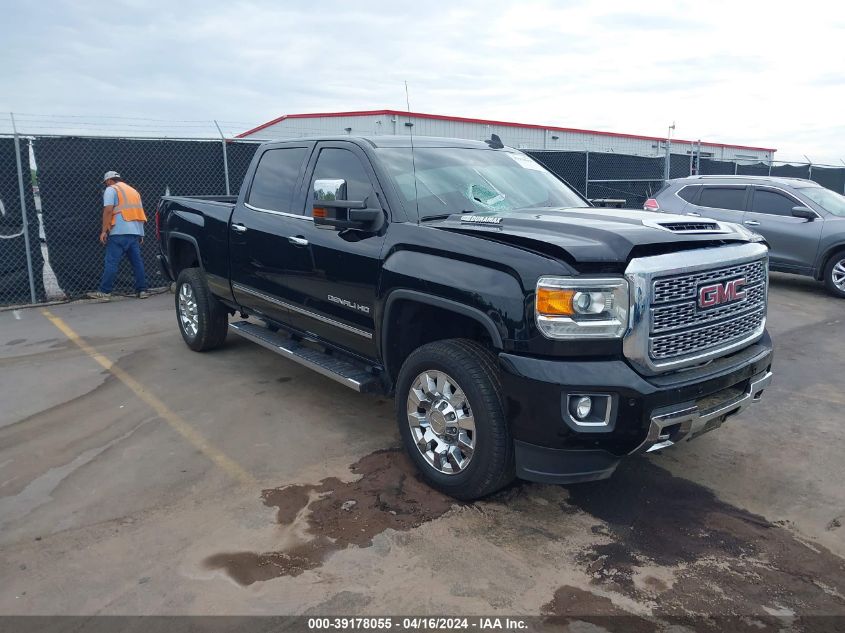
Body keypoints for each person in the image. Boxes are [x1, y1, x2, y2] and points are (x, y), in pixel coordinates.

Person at [87, 171, 149, 300]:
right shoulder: (134, 191)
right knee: (137, 263)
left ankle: (105, 292)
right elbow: (139, 212)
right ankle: (142, 290)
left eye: (105, 183)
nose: (105, 185)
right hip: (134, 233)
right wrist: (141, 233)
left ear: (109, 181)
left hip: (118, 232)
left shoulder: (111, 189)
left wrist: (104, 230)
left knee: (111, 263)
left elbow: (108, 210)